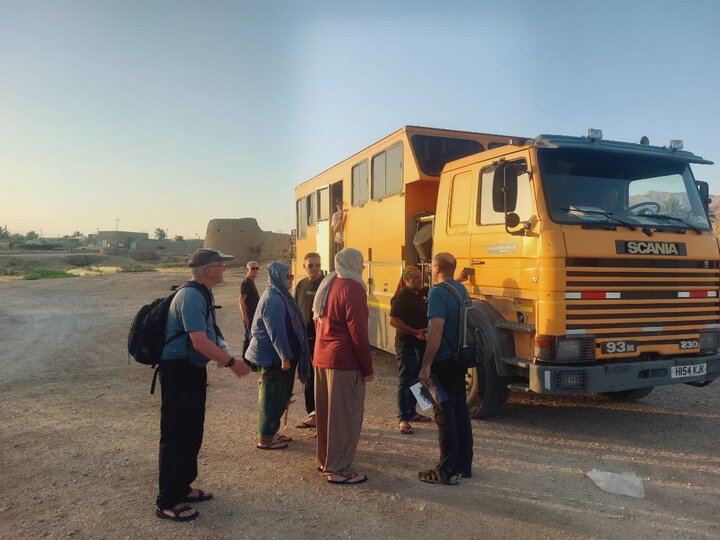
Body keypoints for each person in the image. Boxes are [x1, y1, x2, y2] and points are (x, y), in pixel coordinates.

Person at [156, 248, 251, 522]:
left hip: (191, 370)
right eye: (221, 265)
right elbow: (199, 341)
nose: (224, 269)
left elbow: (210, 334)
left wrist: (226, 354)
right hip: (178, 372)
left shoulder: (203, 294)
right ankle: (167, 500)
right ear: (208, 269)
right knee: (175, 435)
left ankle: (182, 487)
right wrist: (232, 363)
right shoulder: (190, 296)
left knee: (191, 431)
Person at [313, 248, 373, 484]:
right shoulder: (353, 287)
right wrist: (367, 368)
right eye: (362, 262)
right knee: (344, 416)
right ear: (353, 264)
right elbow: (358, 332)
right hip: (343, 361)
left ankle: (325, 460)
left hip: (322, 356)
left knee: (328, 416)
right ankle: (337, 469)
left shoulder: (330, 283)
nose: (364, 267)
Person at [418, 252, 473, 485]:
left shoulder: (437, 293)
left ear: (437, 267)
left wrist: (426, 365)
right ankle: (464, 464)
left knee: (444, 414)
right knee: (460, 410)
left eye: (432, 265)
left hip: (443, 361)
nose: (430, 268)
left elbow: (436, 330)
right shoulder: (461, 290)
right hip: (459, 359)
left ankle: (446, 470)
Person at [246, 262, 310, 450]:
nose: (291, 279)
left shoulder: (280, 295)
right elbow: (276, 332)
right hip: (273, 358)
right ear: (277, 277)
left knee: (281, 396)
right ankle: (266, 438)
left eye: (291, 276)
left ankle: (272, 431)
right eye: (287, 276)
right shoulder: (273, 299)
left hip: (280, 356)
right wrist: (284, 357)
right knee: (271, 398)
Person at [389, 266, 431, 435]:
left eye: (421, 277)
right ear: (407, 280)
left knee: (417, 378)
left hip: (420, 343)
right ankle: (402, 418)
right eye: (416, 278)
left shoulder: (417, 294)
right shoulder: (401, 297)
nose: (420, 281)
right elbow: (393, 321)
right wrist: (415, 332)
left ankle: (412, 412)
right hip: (406, 344)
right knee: (405, 380)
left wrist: (457, 278)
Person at [293, 252, 324, 429]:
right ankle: (311, 414)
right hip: (305, 339)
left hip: (321, 339)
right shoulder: (301, 285)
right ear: (304, 267)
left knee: (320, 378)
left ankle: (323, 416)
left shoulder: (326, 284)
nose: (315, 268)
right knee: (307, 377)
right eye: (311, 265)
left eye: (317, 265)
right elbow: (297, 310)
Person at [239, 260, 260, 368]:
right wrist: (244, 315)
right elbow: (241, 300)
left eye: (257, 268)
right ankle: (250, 362)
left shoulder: (251, 282)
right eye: (252, 268)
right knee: (251, 338)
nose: (255, 270)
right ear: (247, 270)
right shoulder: (246, 282)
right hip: (249, 316)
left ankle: (246, 361)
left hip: (253, 316)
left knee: (248, 338)